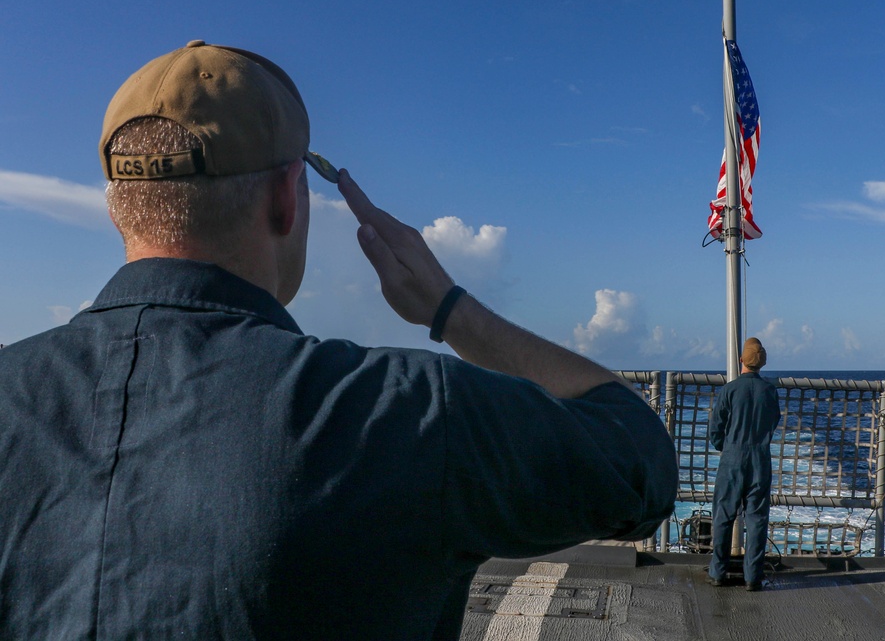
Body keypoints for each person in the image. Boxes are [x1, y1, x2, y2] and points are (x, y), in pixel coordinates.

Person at [0, 41, 678, 640]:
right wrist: (451, 310)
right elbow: (639, 464)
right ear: (288, 198)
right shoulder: (401, 415)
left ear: (117, 202)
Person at [707, 337, 781, 591]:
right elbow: (774, 422)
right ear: (762, 363)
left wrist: (725, 447)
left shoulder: (729, 390)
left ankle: (718, 571)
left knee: (724, 516)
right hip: (760, 457)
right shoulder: (770, 391)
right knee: (757, 518)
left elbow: (716, 428)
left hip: (733, 457)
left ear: (741, 360)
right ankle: (753, 577)